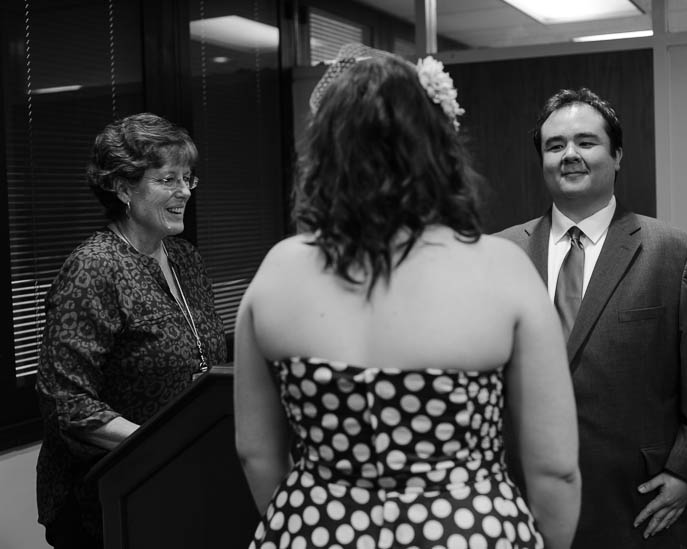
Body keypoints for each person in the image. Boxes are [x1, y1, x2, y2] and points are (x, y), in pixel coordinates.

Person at [235, 44, 581, 549]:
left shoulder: (278, 270)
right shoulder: (502, 267)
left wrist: (314, 516)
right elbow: (555, 470)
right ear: (437, 149)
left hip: (315, 527)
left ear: (325, 153)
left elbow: (256, 453)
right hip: (469, 530)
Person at [495, 87, 687, 548]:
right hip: (519, 501)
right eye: (554, 145)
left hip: (637, 505)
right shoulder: (497, 253)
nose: (569, 155)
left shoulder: (676, 253)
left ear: (618, 155)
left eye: (586, 142)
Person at [35, 112, 227, 548]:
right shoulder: (93, 267)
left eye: (188, 179)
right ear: (122, 188)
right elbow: (66, 404)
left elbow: (206, 360)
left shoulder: (186, 259)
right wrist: (162, 444)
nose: (184, 192)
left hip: (181, 482)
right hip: (109, 497)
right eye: (167, 180)